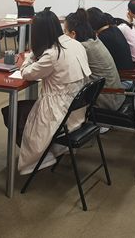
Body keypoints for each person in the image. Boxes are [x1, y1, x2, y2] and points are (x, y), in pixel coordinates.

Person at [18, 10, 91, 175]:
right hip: (78, 110)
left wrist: (30, 55)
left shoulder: (52, 54)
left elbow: (26, 73)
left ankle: (45, 156)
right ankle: (53, 150)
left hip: (59, 114)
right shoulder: (75, 44)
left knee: (14, 113)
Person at [65, 10, 124, 110]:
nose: (64, 36)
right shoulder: (94, 41)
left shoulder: (83, 47)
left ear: (73, 34)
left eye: (65, 32)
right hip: (116, 97)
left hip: (106, 101)